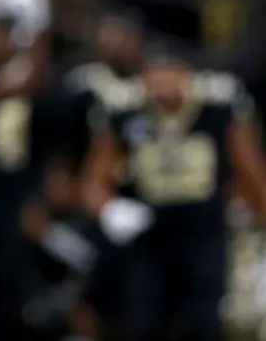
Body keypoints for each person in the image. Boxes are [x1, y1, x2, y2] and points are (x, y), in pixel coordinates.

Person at [81, 53, 266, 341]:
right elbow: (94, 181)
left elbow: (251, 172)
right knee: (143, 323)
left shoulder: (217, 107)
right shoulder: (124, 110)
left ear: (186, 73)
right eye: (154, 71)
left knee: (203, 323)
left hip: (204, 233)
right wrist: (110, 209)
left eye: (168, 71)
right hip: (150, 236)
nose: (160, 83)